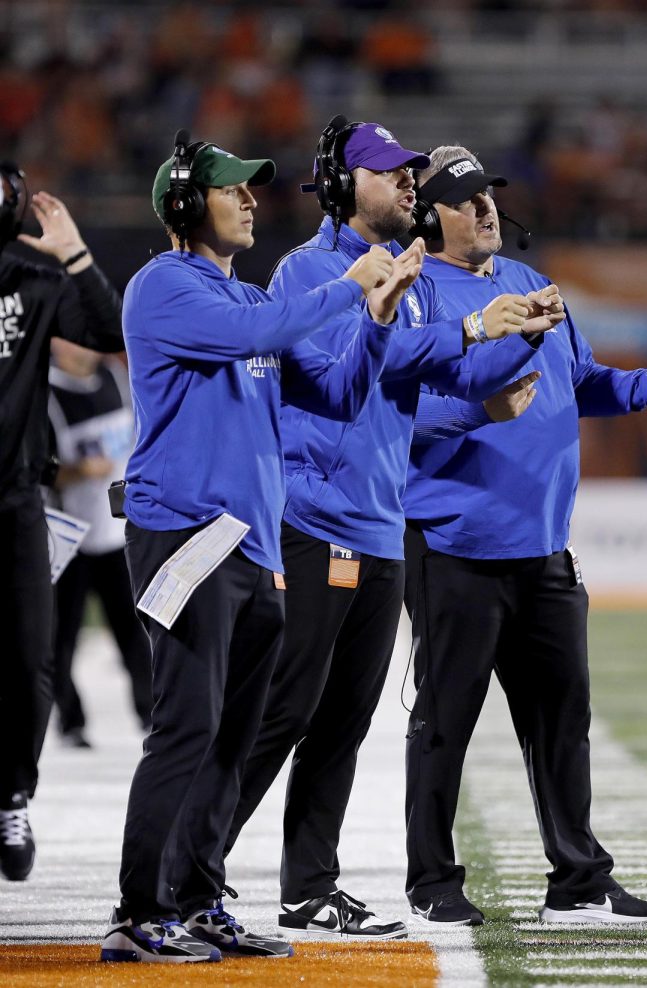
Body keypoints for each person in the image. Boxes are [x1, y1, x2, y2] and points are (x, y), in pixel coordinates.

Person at [221, 118, 561, 941]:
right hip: (315, 519)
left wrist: (518, 334)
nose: (410, 183)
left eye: (412, 174)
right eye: (391, 172)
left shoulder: (404, 277)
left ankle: (308, 887)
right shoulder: (312, 270)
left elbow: (436, 377)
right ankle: (193, 862)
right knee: (283, 710)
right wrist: (474, 328)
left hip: (377, 524)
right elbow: (358, 368)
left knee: (343, 720)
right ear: (343, 185)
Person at [100, 133, 417, 964]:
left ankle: (200, 898)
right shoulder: (164, 287)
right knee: (186, 726)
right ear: (181, 205)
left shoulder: (243, 306)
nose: (248, 200)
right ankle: (138, 912)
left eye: (250, 189)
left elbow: (342, 393)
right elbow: (271, 329)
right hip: (188, 538)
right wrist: (351, 287)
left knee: (236, 736)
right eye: (229, 189)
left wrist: (377, 320)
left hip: (252, 546)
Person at [402, 146, 647, 925]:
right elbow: (392, 413)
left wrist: (646, 386)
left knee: (561, 722)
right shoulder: (409, 294)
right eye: (465, 199)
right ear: (428, 213)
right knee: (445, 724)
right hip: (453, 546)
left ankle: (576, 881)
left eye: (489, 196)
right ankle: (432, 884)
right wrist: (479, 409)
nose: (485, 210)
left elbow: (579, 384)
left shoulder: (530, 283)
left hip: (542, 548)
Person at [0, 161, 124, 883]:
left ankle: (11, 793)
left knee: (29, 659)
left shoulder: (30, 281)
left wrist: (73, 253)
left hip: (18, 500)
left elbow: (106, 329)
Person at [47, 339, 152, 748]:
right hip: (72, 535)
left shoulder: (115, 376)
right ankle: (70, 722)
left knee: (135, 631)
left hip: (119, 534)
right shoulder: (48, 394)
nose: (84, 349)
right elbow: (39, 467)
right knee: (61, 636)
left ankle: (151, 713)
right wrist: (77, 470)